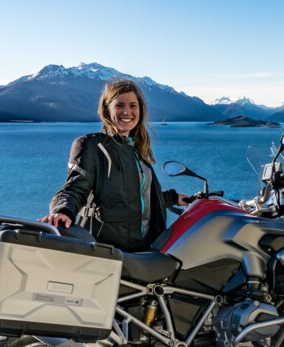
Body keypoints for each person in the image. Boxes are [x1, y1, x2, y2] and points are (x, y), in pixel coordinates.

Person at [40, 78, 186, 252]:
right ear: (107, 110)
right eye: (119, 105)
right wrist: (62, 211)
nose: (127, 111)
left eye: (133, 106)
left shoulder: (136, 148)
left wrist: (173, 198)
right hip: (106, 249)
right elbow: (75, 188)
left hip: (143, 247)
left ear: (140, 110)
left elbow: (138, 193)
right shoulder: (92, 145)